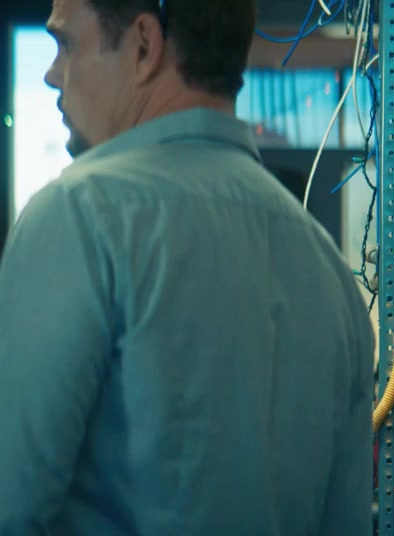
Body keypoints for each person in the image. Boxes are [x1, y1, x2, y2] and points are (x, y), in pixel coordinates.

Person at [0, 0, 373, 534]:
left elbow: (10, 506)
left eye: (66, 44)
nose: (52, 73)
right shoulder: (328, 268)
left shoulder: (79, 215)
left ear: (143, 46)